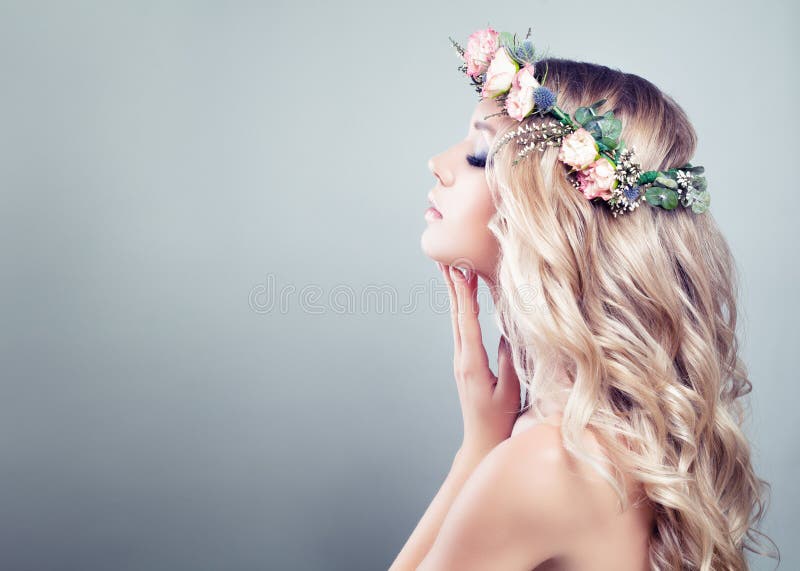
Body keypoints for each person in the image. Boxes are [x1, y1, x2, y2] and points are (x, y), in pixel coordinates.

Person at [389, 27, 778, 571]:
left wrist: (475, 453)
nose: (439, 162)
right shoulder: (610, 439)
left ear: (551, 211)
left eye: (480, 155)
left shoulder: (543, 465)